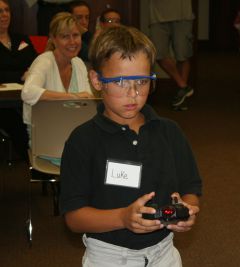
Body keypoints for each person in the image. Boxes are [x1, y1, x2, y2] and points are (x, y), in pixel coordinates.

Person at [59, 25, 202, 266]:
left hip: (164, 253)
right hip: (109, 256)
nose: (133, 93)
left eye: (142, 82)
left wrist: (187, 210)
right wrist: (122, 218)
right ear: (97, 80)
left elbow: (191, 188)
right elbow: (74, 218)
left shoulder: (169, 132)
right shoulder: (83, 140)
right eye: (121, 82)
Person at [21, 12, 93, 144]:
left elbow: (87, 99)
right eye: (65, 36)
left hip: (74, 132)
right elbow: (27, 92)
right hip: (46, 137)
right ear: (53, 39)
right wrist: (72, 97)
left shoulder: (79, 63)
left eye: (76, 35)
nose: (72, 41)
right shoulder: (44, 61)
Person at [0, 0, 37, 161]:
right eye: (0, 11)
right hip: (3, 103)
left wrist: (32, 73)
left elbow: (36, 62)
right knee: (17, 124)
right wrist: (20, 75)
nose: (4, 15)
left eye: (7, 10)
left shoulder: (21, 38)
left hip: (28, 95)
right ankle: (32, 161)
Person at [148, 0, 195, 109]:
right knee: (157, 53)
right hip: (157, 16)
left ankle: (181, 98)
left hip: (182, 15)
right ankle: (183, 86)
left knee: (182, 55)